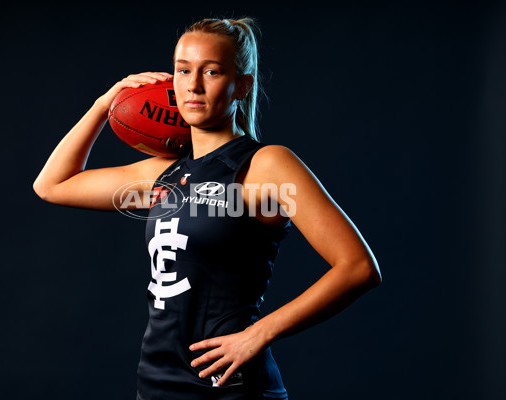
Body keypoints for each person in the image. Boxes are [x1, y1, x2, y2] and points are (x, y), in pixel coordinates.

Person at [33, 17, 381, 400]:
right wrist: (107, 103)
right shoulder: (162, 173)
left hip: (230, 387)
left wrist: (258, 333)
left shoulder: (265, 166)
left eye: (211, 71)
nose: (193, 85)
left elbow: (359, 267)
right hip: (157, 382)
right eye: (183, 71)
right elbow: (52, 185)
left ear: (242, 86)